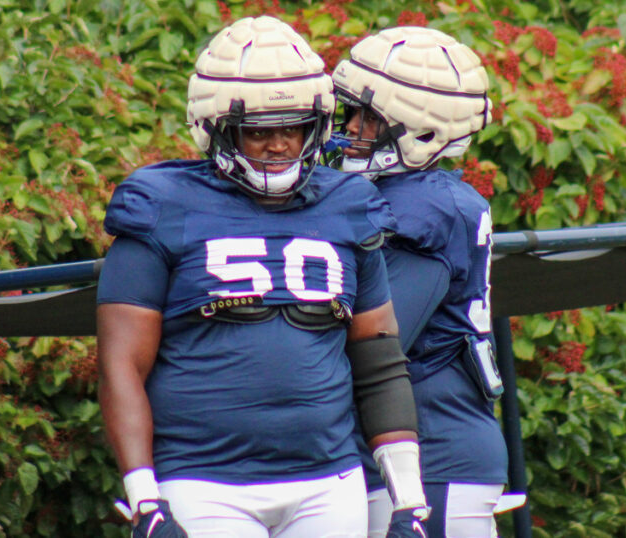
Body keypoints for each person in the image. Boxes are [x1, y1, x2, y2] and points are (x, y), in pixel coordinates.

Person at [96, 16, 431, 538]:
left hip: (329, 479)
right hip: (204, 482)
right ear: (217, 129)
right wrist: (145, 499)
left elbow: (379, 361)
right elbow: (121, 365)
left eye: (292, 127)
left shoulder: (349, 204)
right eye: (258, 131)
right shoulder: (162, 205)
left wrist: (408, 500)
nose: (278, 145)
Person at [329, 28, 522, 537]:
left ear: (422, 129)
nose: (350, 128)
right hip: (425, 449)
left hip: (433, 453)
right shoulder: (421, 196)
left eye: (367, 117)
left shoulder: (423, 210)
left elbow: (379, 343)